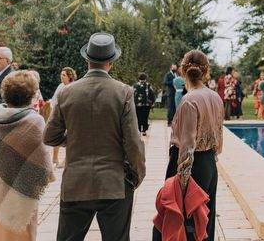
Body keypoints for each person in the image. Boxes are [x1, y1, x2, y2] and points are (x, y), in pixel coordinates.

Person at [44, 32, 146, 241]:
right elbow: (133, 141)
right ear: (111, 62)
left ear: (87, 59)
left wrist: (75, 139)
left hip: (76, 182)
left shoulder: (66, 93)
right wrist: (138, 174)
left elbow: (49, 136)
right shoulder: (123, 92)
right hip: (114, 181)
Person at [0, 70, 54, 240]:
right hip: (20, 196)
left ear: (5, 93)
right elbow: (44, 163)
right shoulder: (34, 121)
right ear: (31, 95)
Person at [153, 49, 223, 241]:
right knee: (205, 223)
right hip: (209, 164)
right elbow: (218, 137)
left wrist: (181, 187)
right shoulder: (215, 97)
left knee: (183, 223)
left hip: (189, 168)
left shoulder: (188, 101)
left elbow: (187, 149)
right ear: (206, 71)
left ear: (182, 70)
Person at [50, 67, 77, 167]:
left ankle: (66, 159)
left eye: (64, 75)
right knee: (57, 135)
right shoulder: (60, 86)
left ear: (70, 76)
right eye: (61, 75)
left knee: (69, 137)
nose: (61, 77)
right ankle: (54, 158)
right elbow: (53, 100)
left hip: (70, 115)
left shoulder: (74, 86)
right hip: (58, 114)